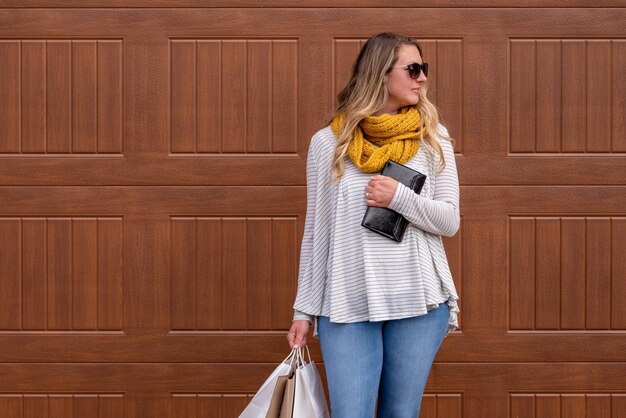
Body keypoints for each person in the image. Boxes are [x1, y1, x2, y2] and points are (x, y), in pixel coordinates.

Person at [286, 32, 460, 418]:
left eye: (423, 69)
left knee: (400, 413)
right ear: (381, 74)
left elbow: (449, 220)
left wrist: (399, 197)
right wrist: (304, 309)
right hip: (346, 300)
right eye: (413, 69)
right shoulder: (327, 142)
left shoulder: (433, 139)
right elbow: (316, 231)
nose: (422, 79)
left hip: (418, 300)